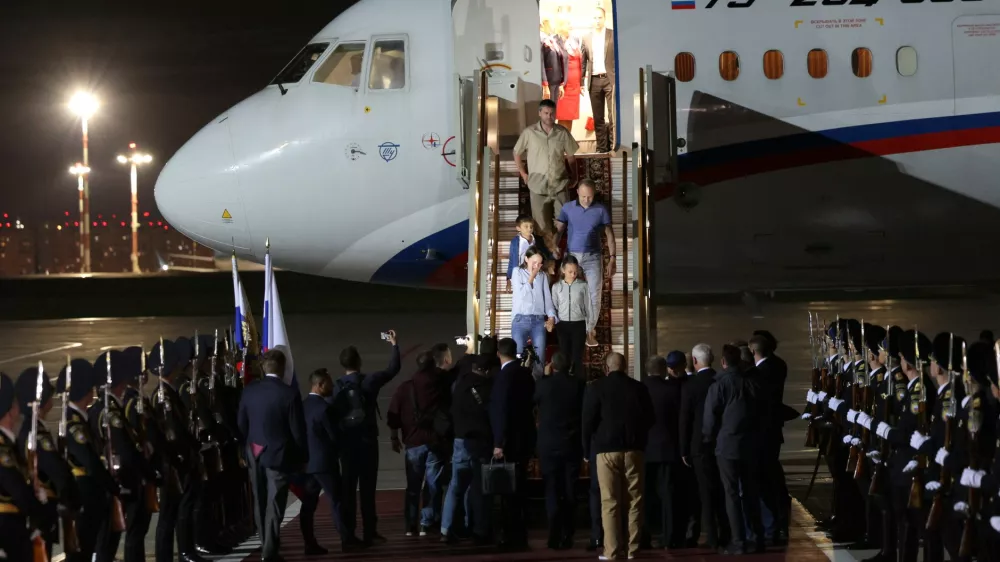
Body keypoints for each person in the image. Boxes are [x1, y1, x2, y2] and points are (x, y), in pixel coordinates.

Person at [331, 329, 402, 546]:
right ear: (359, 361)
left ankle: (349, 533)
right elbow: (393, 369)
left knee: (349, 490)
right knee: (368, 490)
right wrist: (394, 345)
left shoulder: (337, 387)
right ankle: (370, 531)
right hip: (368, 442)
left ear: (343, 364)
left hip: (348, 445)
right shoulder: (369, 381)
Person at [238, 348, 308, 562]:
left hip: (254, 451)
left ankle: (265, 542)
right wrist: (303, 457)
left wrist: (246, 446)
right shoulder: (289, 394)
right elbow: (297, 431)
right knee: (274, 503)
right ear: (283, 367)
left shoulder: (249, 391)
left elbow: (242, 422)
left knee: (259, 500)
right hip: (278, 454)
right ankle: (269, 551)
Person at [582, 352, 654, 561]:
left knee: (610, 501)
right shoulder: (639, 388)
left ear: (606, 368)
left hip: (605, 450)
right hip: (634, 450)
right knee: (634, 500)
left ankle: (612, 550)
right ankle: (633, 549)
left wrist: (587, 450)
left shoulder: (595, 388)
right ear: (625, 367)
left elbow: (587, 422)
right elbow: (650, 418)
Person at [872, 330, 935, 562]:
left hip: (911, 464)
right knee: (905, 520)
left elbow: (910, 431)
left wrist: (888, 432)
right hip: (903, 462)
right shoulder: (915, 387)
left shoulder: (920, 390)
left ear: (907, 363)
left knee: (917, 523)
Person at [703, 344, 767, 555]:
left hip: (727, 445)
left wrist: (709, 438)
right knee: (751, 492)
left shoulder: (719, 385)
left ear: (723, 362)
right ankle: (758, 538)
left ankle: (738, 541)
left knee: (731, 494)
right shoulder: (752, 383)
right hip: (751, 445)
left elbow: (711, 418)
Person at [15, 365, 81, 561]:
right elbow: (56, 470)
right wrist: (72, 498)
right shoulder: (37, 434)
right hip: (43, 511)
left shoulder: (28, 429)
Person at [387, 345, 455, 537]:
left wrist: (394, 437)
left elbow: (393, 416)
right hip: (435, 441)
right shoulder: (441, 383)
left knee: (413, 486)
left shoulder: (405, 388)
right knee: (433, 485)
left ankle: (410, 525)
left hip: (413, 443)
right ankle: (427, 521)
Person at [58, 358, 120, 562]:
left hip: (90, 493)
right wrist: (113, 486)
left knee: (87, 548)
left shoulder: (80, 420)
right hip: (84, 493)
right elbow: (91, 463)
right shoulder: (74, 425)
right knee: (80, 553)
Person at [150, 338, 205, 562]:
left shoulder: (170, 391)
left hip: (181, 458)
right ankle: (175, 554)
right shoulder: (163, 395)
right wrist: (187, 450)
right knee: (170, 515)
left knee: (181, 509)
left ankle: (186, 550)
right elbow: (173, 431)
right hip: (173, 461)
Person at [534, 351, 586, 550]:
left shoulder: (544, 385)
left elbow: (535, 401)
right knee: (570, 489)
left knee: (552, 489)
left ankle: (553, 534)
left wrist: (545, 376)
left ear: (552, 366)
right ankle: (568, 533)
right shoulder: (578, 385)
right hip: (571, 443)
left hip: (548, 444)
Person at [489, 337, 537, 551]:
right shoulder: (526, 375)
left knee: (507, 491)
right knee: (521, 489)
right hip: (525, 439)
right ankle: (521, 534)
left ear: (499, 354)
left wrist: (499, 442)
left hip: (509, 442)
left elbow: (501, 412)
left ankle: (508, 536)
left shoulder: (503, 377)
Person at [554, 178, 614, 347]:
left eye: (590, 197)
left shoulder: (601, 209)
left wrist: (613, 258)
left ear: (594, 194)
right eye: (583, 196)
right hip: (572, 256)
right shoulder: (568, 208)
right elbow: (559, 231)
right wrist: (553, 248)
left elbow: (609, 234)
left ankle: (589, 331)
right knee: (566, 291)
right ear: (577, 193)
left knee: (594, 294)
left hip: (593, 257)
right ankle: (566, 327)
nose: (587, 200)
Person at [679, 343, 729, 549]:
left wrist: (684, 449)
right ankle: (727, 532)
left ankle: (712, 537)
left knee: (706, 492)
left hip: (699, 446)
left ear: (694, 360)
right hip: (724, 443)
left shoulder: (690, 386)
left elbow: (685, 419)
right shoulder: (722, 381)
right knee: (724, 490)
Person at [442, 354, 496, 544]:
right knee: (478, 486)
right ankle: (476, 526)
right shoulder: (487, 388)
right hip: (479, 441)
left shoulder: (459, 386)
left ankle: (447, 526)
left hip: (459, 439)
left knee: (457, 485)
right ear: (487, 370)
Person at [513, 99, 579, 243]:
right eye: (546, 113)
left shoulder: (562, 132)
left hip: (559, 183)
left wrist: (575, 175)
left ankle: (555, 246)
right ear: (540, 114)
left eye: (552, 113)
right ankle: (547, 253)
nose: (549, 116)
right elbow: (517, 152)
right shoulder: (529, 133)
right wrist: (523, 173)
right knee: (541, 225)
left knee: (562, 220)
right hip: (538, 186)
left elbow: (571, 156)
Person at [298, 368, 347, 555]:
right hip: (325, 463)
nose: (332, 386)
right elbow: (334, 437)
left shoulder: (302, 406)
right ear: (320, 385)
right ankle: (346, 538)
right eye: (329, 383)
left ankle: (309, 543)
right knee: (337, 501)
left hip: (308, 464)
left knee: (308, 505)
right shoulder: (325, 409)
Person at [642, 353, 688, 550]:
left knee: (643, 495)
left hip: (644, 449)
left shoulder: (640, 389)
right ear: (663, 370)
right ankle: (670, 537)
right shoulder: (673, 390)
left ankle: (644, 537)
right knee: (668, 494)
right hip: (668, 448)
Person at [748, 332, 790, 544]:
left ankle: (775, 524)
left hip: (763, 432)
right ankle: (779, 521)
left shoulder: (760, 372)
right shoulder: (778, 364)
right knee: (773, 475)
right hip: (772, 430)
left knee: (767, 479)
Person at [0, 372, 47, 562]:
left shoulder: (8, 445)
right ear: (12, 409)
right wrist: (40, 513)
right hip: (9, 534)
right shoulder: (4, 450)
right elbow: (17, 490)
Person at [510, 246, 556, 377]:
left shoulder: (542, 276)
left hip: (538, 320)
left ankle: (537, 387)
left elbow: (547, 298)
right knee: (518, 356)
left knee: (539, 357)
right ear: (526, 259)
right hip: (520, 320)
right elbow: (521, 295)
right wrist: (532, 276)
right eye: (534, 262)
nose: (537, 266)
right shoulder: (517, 272)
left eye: (539, 263)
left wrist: (551, 317)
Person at [551, 255, 596, 376]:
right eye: (570, 271)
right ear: (563, 270)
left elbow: (588, 307)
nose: (573, 274)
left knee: (577, 356)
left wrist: (590, 327)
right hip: (562, 325)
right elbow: (554, 307)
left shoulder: (583, 286)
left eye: (575, 271)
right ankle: (564, 382)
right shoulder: (556, 287)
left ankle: (578, 383)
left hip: (579, 325)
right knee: (564, 355)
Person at [583, 7, 616, 153]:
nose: (597, 21)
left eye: (600, 18)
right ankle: (601, 147)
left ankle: (614, 144)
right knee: (598, 117)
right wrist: (580, 82)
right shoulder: (586, 38)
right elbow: (583, 61)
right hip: (594, 80)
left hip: (609, 79)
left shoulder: (612, 34)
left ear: (604, 18)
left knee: (613, 114)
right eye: (595, 18)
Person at [506, 214, 552, 294]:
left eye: (531, 226)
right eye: (526, 226)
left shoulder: (538, 240)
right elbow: (512, 260)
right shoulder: (515, 242)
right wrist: (508, 278)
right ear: (518, 228)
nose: (529, 229)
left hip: (537, 272)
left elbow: (546, 255)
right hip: (521, 274)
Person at [555, 20, 585, 132]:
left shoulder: (575, 40)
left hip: (574, 86)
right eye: (567, 23)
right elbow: (556, 64)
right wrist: (560, 83)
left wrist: (581, 84)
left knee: (570, 117)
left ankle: (567, 145)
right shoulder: (556, 41)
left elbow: (580, 62)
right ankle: (560, 147)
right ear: (561, 25)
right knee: (562, 117)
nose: (570, 25)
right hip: (564, 86)